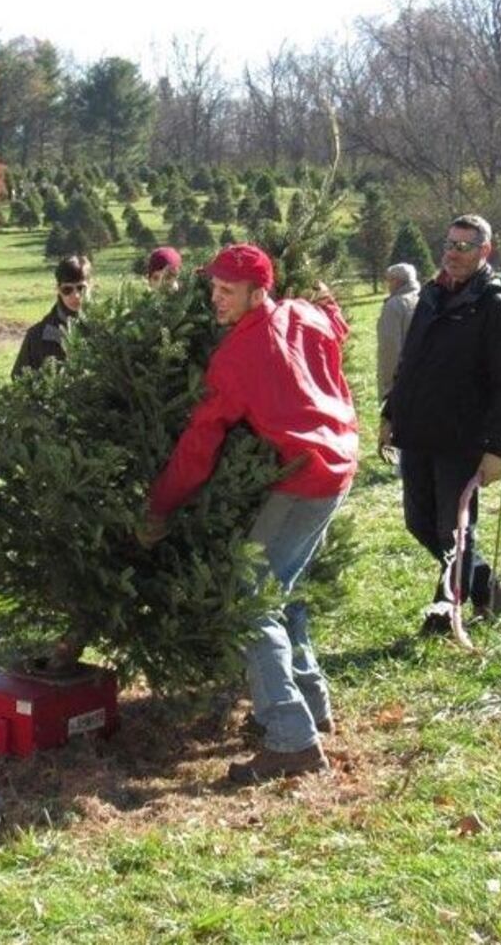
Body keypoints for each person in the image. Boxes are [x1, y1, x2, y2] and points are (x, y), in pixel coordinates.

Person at [140, 244, 358, 786]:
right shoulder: (303, 313)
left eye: (227, 291)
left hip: (307, 477)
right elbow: (336, 324)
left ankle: (291, 739)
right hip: (338, 463)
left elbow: (200, 443)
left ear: (259, 291)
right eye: (212, 287)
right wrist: (329, 308)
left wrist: (160, 506)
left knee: (249, 600)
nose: (215, 299)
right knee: (283, 589)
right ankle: (313, 703)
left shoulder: (238, 354)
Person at [379, 215, 501, 636]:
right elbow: (410, 362)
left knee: (455, 530)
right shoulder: (430, 295)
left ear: (485, 252)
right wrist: (391, 413)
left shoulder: (496, 305)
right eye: (449, 244)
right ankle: (487, 588)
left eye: (464, 246)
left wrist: (498, 448)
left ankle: (446, 611)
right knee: (420, 524)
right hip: (418, 432)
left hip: (462, 439)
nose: (452, 253)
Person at [13, 254, 90, 375]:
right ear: (58, 289)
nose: (76, 296)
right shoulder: (37, 336)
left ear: (91, 287)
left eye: (81, 288)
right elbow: (19, 380)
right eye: (67, 289)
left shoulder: (106, 329)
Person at [376, 263, 420, 405]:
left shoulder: (394, 305)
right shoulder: (425, 298)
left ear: (397, 281)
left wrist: (388, 385)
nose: (388, 285)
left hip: (401, 380)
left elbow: (390, 348)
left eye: (389, 280)